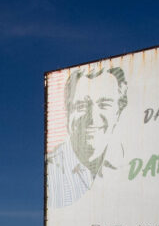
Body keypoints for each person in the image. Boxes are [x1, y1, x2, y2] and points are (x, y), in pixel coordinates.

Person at [47, 66, 127, 208]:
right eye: (81, 106)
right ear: (67, 113)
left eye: (104, 104)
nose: (92, 119)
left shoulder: (130, 164)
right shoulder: (51, 173)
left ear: (118, 112)